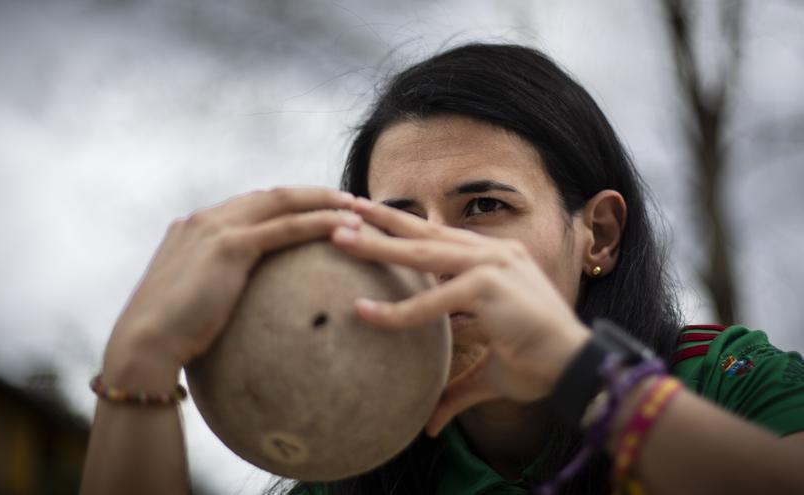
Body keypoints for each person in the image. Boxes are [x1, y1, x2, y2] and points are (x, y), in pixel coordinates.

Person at [80, 44, 804, 495]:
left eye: (483, 205)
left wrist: (585, 376)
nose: (433, 252)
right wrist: (137, 366)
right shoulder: (351, 468)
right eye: (396, 217)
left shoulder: (724, 382)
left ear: (600, 236)